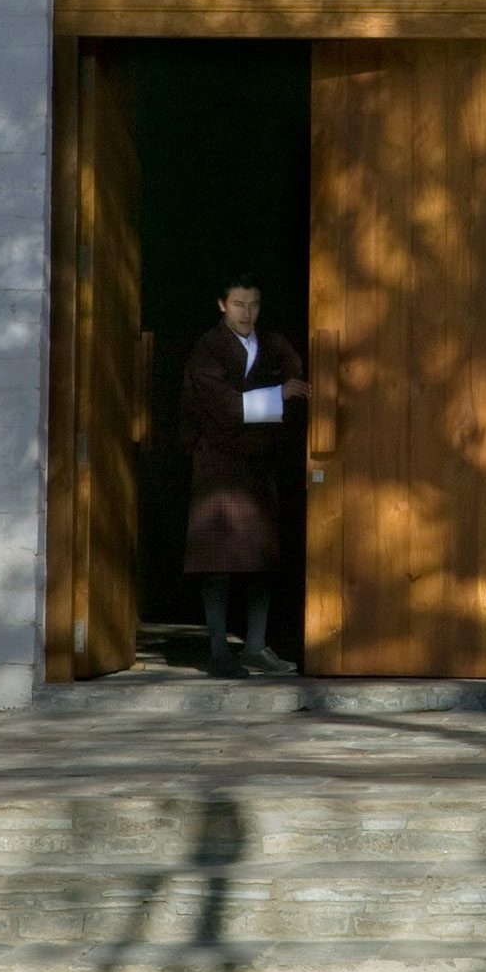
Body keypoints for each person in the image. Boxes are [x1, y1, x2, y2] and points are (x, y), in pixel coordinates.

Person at [181, 272, 310, 678]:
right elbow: (221, 405)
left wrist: (283, 393)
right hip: (218, 464)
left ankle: (255, 646)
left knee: (261, 557)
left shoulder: (271, 343)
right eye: (238, 304)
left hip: (259, 463)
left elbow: (295, 373)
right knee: (216, 559)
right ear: (222, 305)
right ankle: (219, 651)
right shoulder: (208, 348)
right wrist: (278, 394)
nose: (246, 313)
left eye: (253, 305)